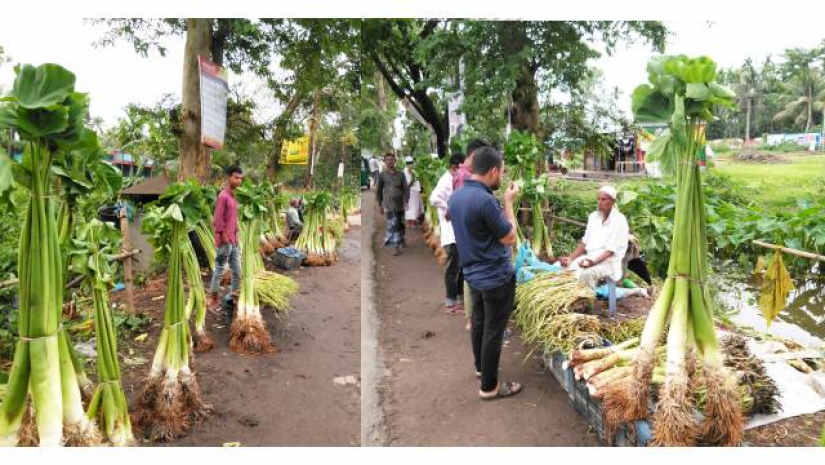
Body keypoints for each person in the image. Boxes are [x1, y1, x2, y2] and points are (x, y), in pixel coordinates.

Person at [448, 146, 523, 400]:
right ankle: (489, 387)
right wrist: (508, 203)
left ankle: (482, 369)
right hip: (494, 277)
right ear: (492, 171)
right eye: (501, 172)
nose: (502, 176)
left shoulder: (457, 196)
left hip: (472, 275)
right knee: (494, 329)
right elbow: (509, 237)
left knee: (479, 324)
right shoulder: (485, 201)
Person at [559, 185, 629, 289]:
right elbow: (584, 242)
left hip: (609, 264)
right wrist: (570, 258)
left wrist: (593, 263)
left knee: (586, 274)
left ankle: (587, 302)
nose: (600, 202)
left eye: (603, 199)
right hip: (589, 258)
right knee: (561, 267)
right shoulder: (593, 217)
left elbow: (610, 251)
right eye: (598, 199)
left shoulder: (619, 220)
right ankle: (571, 296)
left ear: (613, 202)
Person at [430, 153, 465, 315]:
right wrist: (448, 208)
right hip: (450, 233)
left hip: (457, 232)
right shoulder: (446, 179)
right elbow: (434, 198)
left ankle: (459, 299)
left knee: (460, 267)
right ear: (454, 167)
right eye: (461, 168)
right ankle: (450, 303)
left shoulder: (456, 179)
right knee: (453, 268)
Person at [209, 165, 244, 309]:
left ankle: (233, 295)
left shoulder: (233, 196)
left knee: (237, 270)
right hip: (225, 240)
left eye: (241, 178)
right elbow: (217, 219)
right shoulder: (223, 196)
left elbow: (232, 218)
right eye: (236, 178)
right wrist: (223, 236)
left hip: (233, 239)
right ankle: (214, 297)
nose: (239, 181)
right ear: (228, 177)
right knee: (220, 269)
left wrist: (235, 235)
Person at [376, 152, 409, 256]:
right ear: (385, 162)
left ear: (395, 161)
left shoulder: (401, 174)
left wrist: (406, 200)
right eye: (388, 160)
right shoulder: (382, 175)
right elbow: (378, 190)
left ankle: (402, 239)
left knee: (401, 224)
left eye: (391, 159)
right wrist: (380, 205)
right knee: (393, 225)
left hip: (400, 204)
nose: (390, 161)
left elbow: (406, 188)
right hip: (389, 204)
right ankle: (395, 247)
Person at [403, 156, 423, 228]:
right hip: (410, 192)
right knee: (412, 207)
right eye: (410, 163)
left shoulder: (413, 171)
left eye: (411, 163)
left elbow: (417, 180)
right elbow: (407, 185)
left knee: (412, 207)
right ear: (407, 164)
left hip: (414, 192)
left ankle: (411, 223)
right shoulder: (405, 172)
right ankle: (411, 223)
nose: (411, 165)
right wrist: (413, 178)